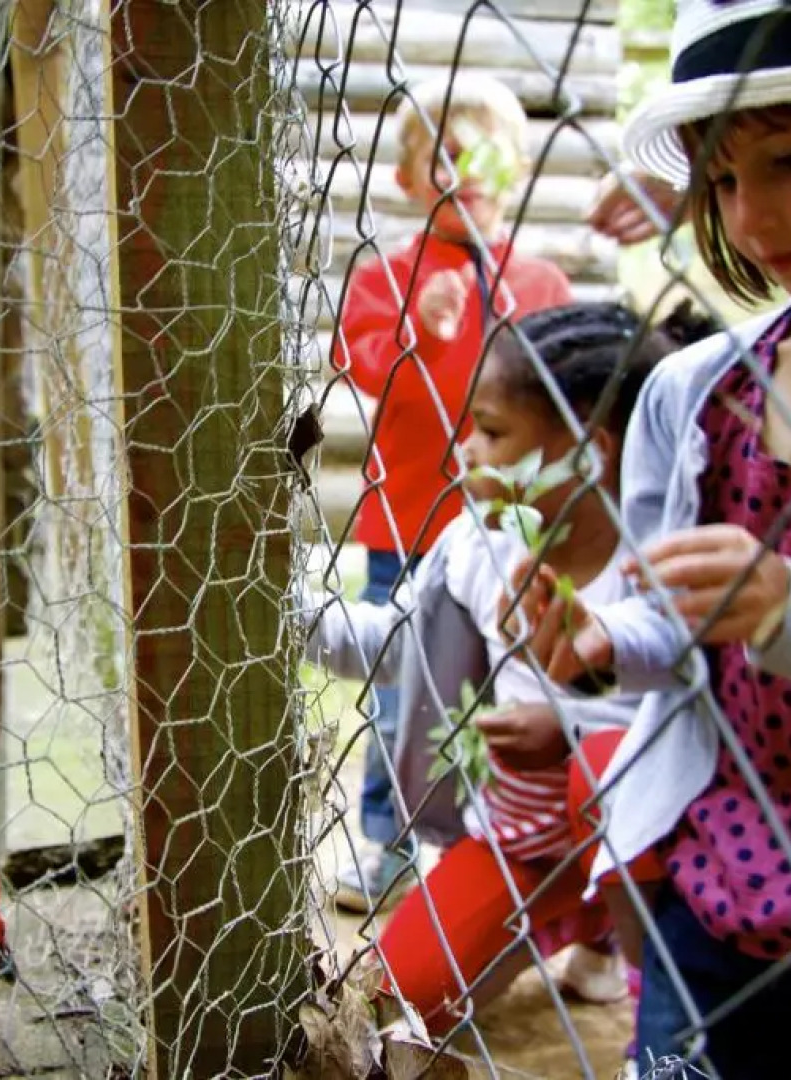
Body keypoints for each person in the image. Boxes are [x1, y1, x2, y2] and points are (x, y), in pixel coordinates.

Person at [518, 1, 791, 1075]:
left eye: (788, 160)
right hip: (715, 905)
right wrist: (596, 643)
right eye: (720, 179)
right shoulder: (696, 394)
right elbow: (673, 620)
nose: (750, 216)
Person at [304, 301, 716, 1032]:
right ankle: (571, 921)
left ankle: (647, 986)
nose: (464, 451)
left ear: (588, 453)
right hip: (519, 843)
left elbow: (700, 711)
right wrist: (290, 621)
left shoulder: (666, 560)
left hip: (653, 848)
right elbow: (403, 649)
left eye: (491, 432)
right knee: (394, 1001)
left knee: (599, 765)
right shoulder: (479, 544)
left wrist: (565, 726)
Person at [331, 71, 573, 912]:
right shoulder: (387, 278)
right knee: (400, 689)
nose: (466, 169)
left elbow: (563, 396)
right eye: (443, 154)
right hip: (409, 520)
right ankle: (388, 846)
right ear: (407, 178)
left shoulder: (537, 283)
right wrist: (411, 330)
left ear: (517, 168)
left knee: (510, 686)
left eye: (486, 154)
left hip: (511, 527)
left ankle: (501, 841)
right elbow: (359, 363)